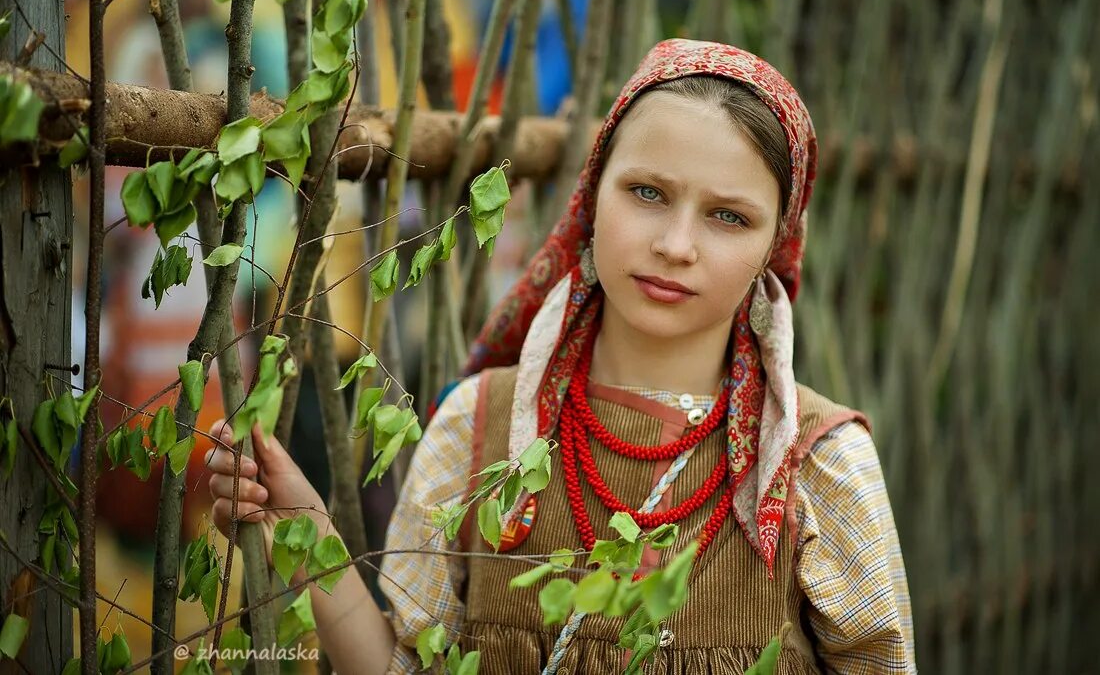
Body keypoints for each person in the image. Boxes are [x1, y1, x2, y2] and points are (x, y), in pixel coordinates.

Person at [206, 38, 916, 674]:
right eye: (647, 192)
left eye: (728, 216)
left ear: (775, 242)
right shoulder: (478, 429)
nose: (675, 244)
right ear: (592, 196)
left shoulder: (820, 467)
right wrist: (303, 534)